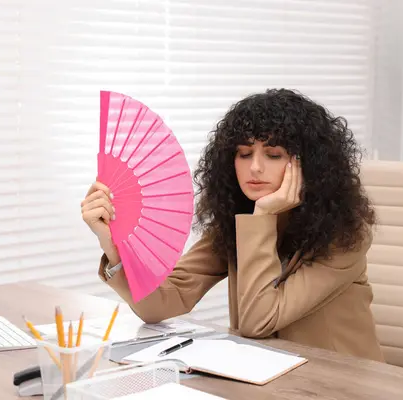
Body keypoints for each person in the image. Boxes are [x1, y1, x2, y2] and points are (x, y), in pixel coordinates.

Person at [81, 88, 384, 362]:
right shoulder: (237, 222)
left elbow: (257, 321)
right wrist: (113, 246)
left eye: (274, 154)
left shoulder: (346, 236)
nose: (255, 167)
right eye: (244, 153)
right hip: (266, 378)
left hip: (340, 384)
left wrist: (263, 217)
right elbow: (159, 304)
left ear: (309, 165)